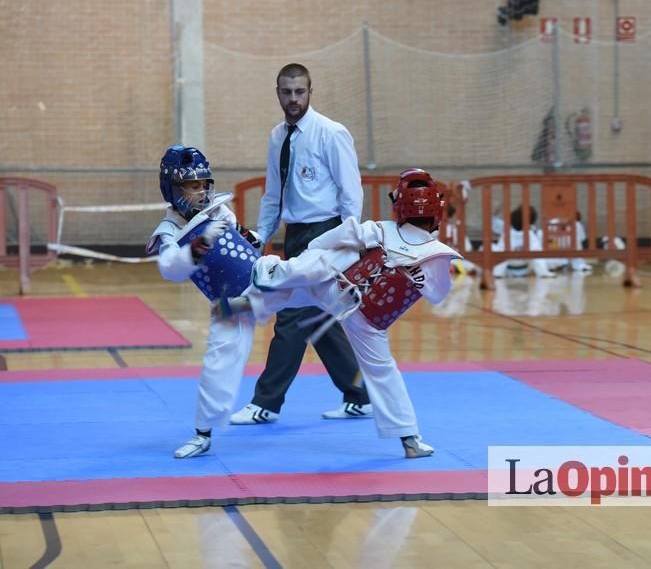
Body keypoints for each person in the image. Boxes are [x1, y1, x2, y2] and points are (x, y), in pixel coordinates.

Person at [218, 169, 461, 458]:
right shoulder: (439, 255)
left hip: (336, 289)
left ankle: (264, 281)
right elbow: (437, 295)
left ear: (398, 205)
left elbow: (335, 237)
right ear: (437, 211)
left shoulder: (379, 229)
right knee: (383, 371)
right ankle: (410, 440)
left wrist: (316, 250)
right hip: (370, 319)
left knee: (321, 267)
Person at [231, 62, 372, 426]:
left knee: (292, 316)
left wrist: (348, 240)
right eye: (286, 92)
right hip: (295, 234)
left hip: (325, 233)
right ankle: (361, 395)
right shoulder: (277, 136)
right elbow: (273, 194)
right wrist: (260, 237)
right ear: (277, 92)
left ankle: (266, 402)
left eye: (300, 92)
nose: (293, 99)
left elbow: (350, 191)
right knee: (318, 318)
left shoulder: (331, 132)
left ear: (310, 92)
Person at [146, 146, 261, 459]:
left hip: (266, 280)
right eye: (193, 186)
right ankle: (203, 434)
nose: (202, 191)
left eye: (204, 184)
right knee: (218, 360)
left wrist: (250, 237)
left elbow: (240, 240)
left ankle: (348, 284)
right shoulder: (169, 231)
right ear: (174, 190)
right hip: (234, 301)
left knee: (310, 275)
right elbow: (170, 268)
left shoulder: (219, 212)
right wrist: (202, 243)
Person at [491, 205, 556, 279]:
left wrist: (494, 214)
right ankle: (543, 272)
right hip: (524, 269)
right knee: (537, 251)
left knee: (497, 250)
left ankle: (496, 273)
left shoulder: (506, 230)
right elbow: (537, 256)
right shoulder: (531, 234)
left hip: (507, 270)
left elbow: (492, 223)